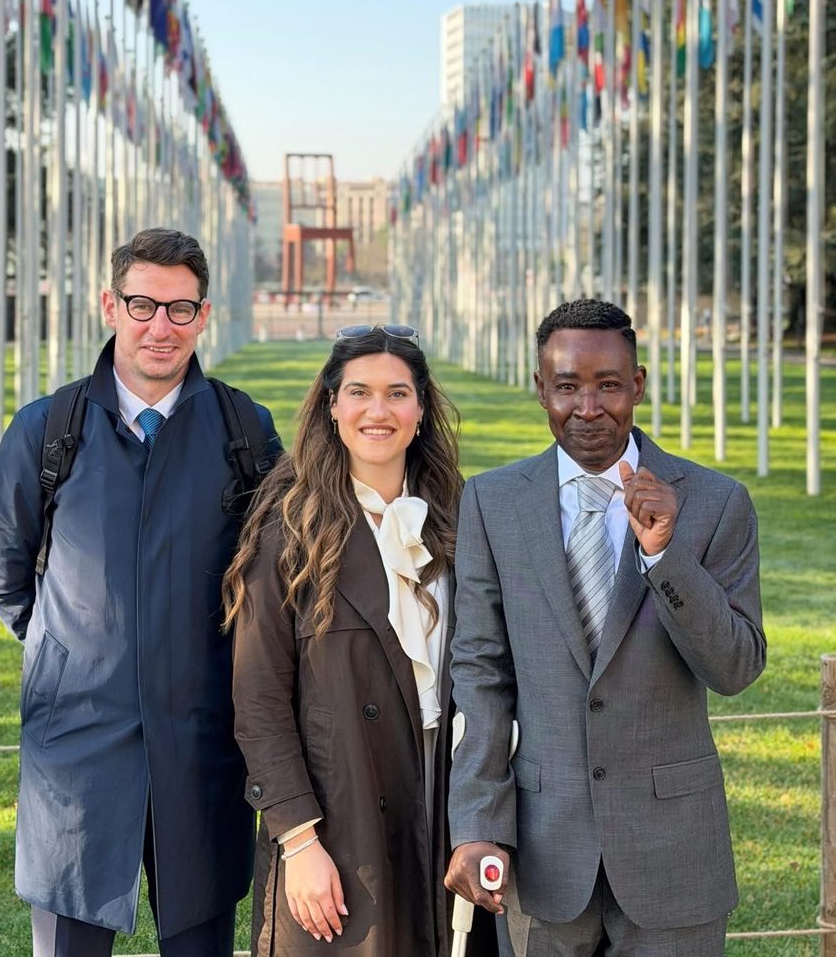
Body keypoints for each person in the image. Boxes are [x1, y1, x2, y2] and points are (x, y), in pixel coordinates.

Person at [0, 227, 282, 957]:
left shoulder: (246, 431)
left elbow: (277, 576)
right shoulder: (47, 431)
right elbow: (4, 568)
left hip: (205, 742)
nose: (161, 327)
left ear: (203, 317)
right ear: (111, 306)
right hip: (76, 747)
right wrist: (73, 652)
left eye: (181, 310)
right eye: (143, 305)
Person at [445, 298, 766, 957]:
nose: (587, 406)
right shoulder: (492, 502)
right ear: (541, 390)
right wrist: (477, 822)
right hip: (543, 857)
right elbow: (480, 676)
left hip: (674, 858)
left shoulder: (715, 503)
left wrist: (663, 556)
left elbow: (735, 668)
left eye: (608, 385)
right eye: (567, 386)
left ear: (639, 385)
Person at [224, 325, 497, 956]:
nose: (379, 411)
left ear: (422, 409)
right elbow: (258, 699)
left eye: (398, 393)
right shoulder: (288, 527)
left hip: (445, 800)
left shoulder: (459, 518)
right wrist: (298, 839)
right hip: (339, 805)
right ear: (331, 404)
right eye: (360, 393)